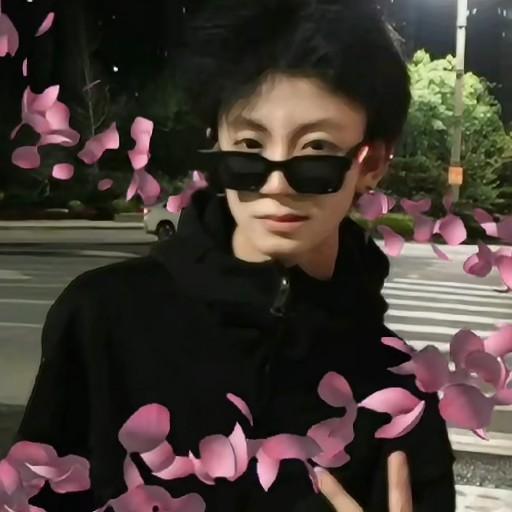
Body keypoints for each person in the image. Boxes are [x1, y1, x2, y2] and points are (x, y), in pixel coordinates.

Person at [15, 0, 456, 510]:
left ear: (371, 162)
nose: (276, 185)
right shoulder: (102, 319)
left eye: (315, 150)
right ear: (218, 144)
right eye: (249, 146)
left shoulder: (398, 392)